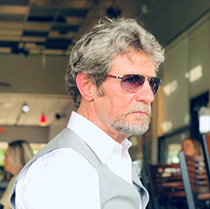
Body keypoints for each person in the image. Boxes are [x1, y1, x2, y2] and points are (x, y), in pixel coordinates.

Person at [11, 17, 164, 209]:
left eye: (152, 83)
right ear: (88, 86)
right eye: (133, 80)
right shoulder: (65, 169)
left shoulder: (112, 155)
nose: (148, 96)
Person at [0, 140, 33, 209]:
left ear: (15, 158)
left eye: (6, 156)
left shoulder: (23, 181)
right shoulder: (16, 179)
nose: (4, 160)